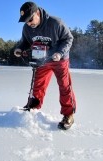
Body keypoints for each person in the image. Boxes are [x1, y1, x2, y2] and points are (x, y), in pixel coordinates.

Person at [14, 1, 76, 130]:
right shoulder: (27, 28)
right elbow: (25, 41)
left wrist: (59, 53)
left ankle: (68, 114)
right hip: (41, 60)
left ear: (37, 13)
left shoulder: (55, 23)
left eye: (30, 19)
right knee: (38, 86)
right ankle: (33, 109)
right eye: (26, 21)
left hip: (60, 60)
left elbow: (68, 39)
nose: (29, 23)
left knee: (65, 86)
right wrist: (19, 48)